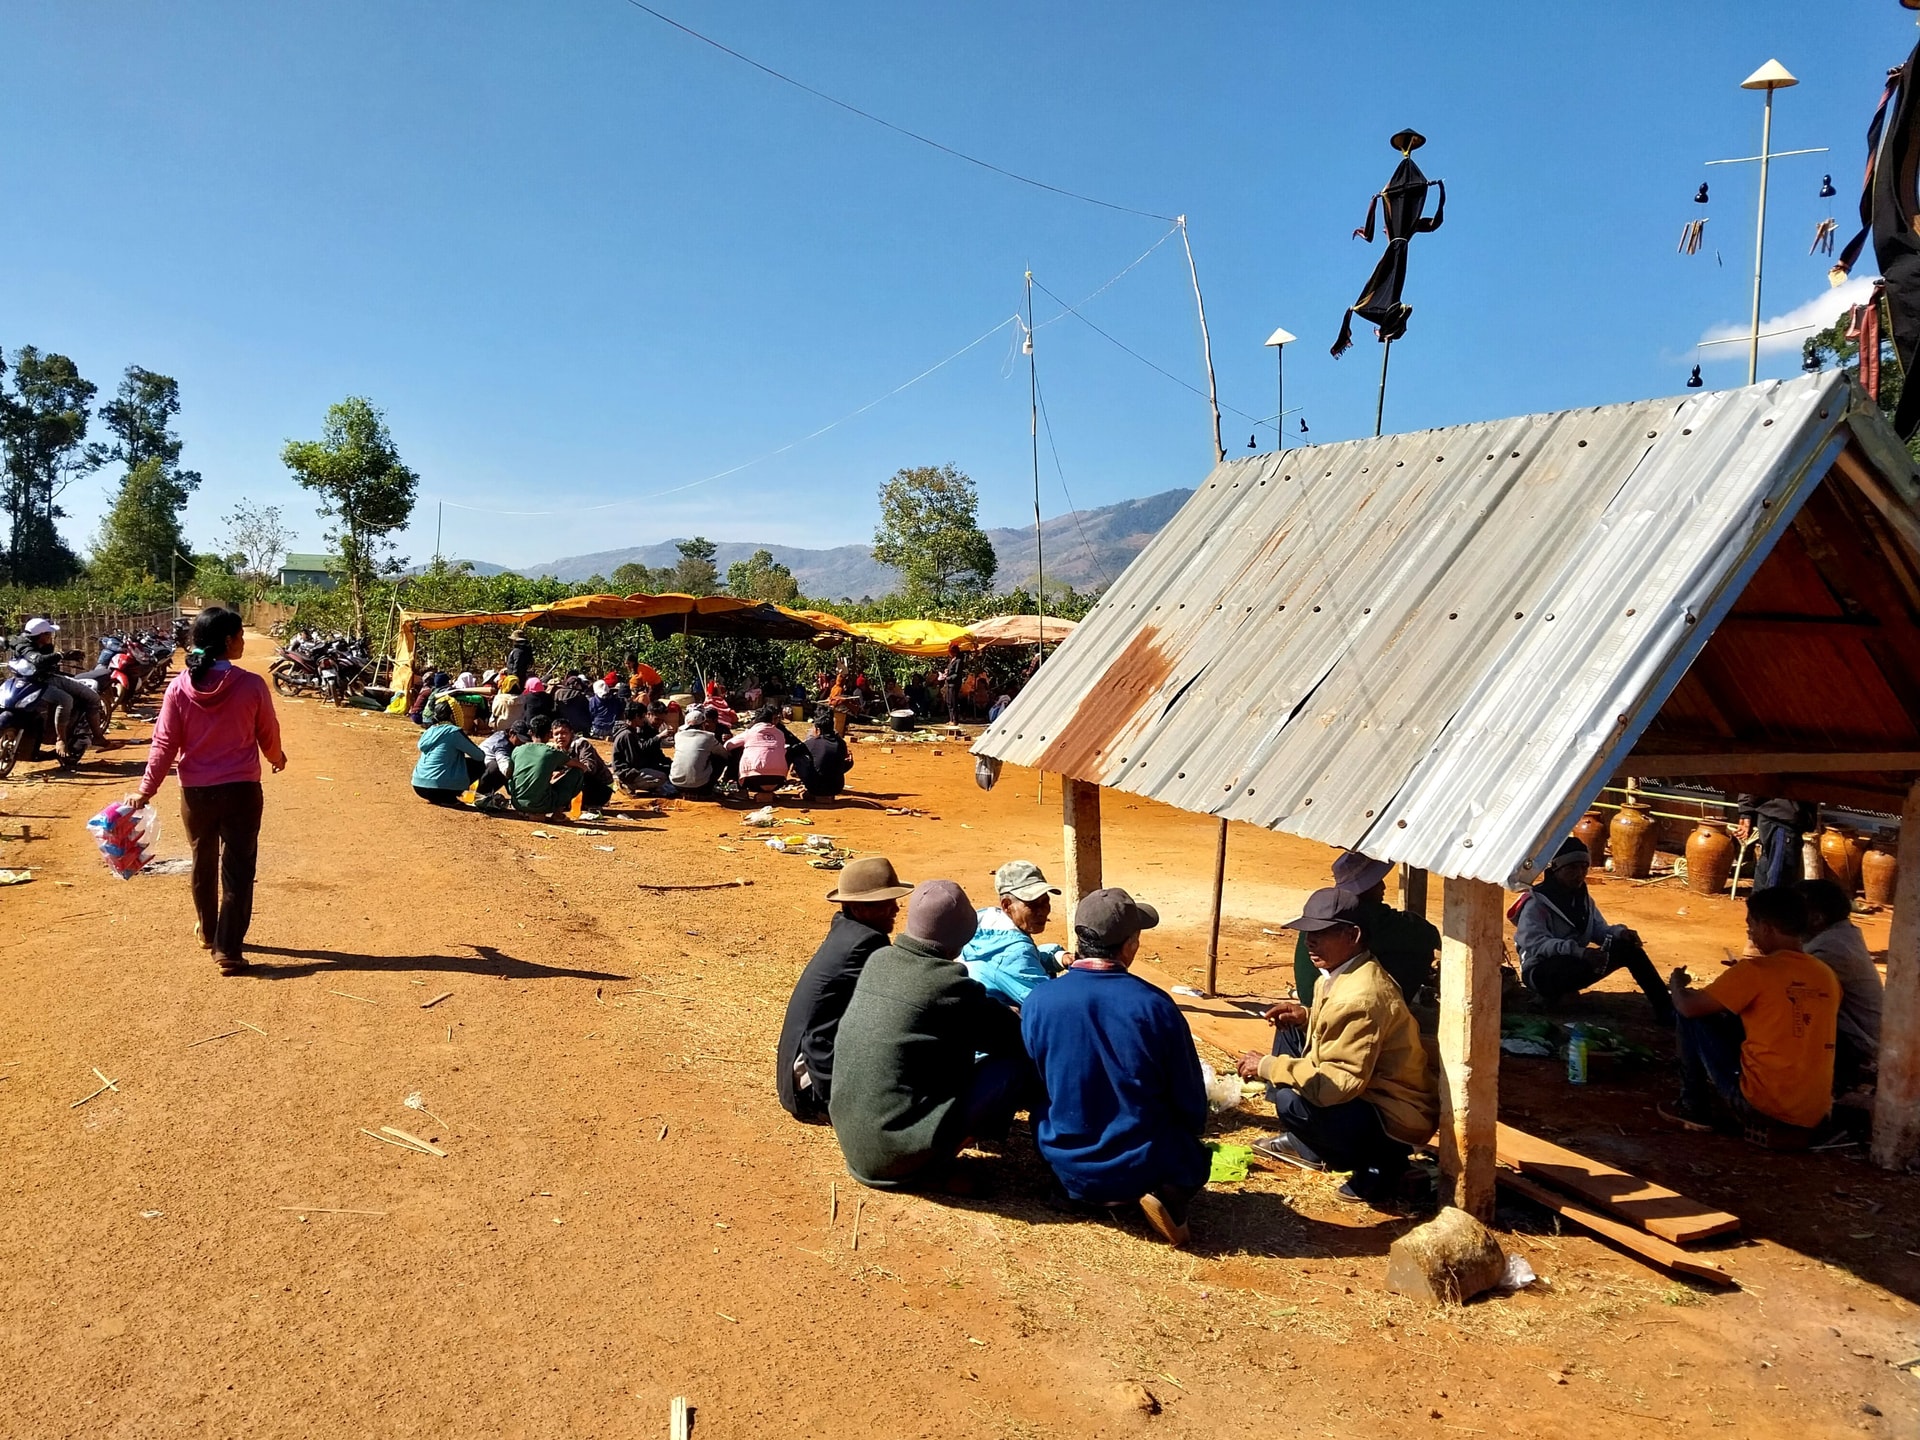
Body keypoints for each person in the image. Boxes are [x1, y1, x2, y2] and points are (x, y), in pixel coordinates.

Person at [1022, 888, 1209, 1246]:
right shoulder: (1155, 1007)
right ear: (1129, 946)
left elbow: (1035, 1084)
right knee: (1194, 1154)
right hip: (1142, 1165)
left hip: (1065, 1160)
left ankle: (1074, 1191)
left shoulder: (1039, 1000)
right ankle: (1161, 1193)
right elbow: (1191, 1105)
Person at [1236, 887, 1438, 1204]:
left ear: (1353, 934)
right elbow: (1340, 1028)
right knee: (1289, 1036)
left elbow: (1337, 1085)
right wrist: (1306, 1017)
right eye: (1307, 933)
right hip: (1374, 1096)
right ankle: (1317, 1145)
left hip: (1396, 1117)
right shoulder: (1342, 973)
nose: (1309, 942)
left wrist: (1268, 1067)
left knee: (1292, 1101)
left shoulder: (1360, 996)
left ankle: (1381, 1168)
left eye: (1321, 933)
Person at [828, 880, 1032, 1190]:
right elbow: (1013, 1038)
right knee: (1013, 1068)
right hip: (894, 1156)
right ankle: (936, 1165)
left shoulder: (879, 960)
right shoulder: (948, 984)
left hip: (857, 1143)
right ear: (963, 937)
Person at [130, 606, 287, 976]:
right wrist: (276, 756)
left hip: (196, 792)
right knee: (238, 868)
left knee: (203, 860)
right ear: (228, 641)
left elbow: (163, 744)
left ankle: (208, 930)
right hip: (242, 790)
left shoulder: (178, 688)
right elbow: (268, 730)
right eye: (240, 636)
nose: (244, 642)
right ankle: (228, 950)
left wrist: (145, 790)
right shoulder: (250, 685)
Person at [1661, 886, 1840, 1136]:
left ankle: (1693, 1106)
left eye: (1751, 926)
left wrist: (1677, 985)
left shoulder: (1756, 971)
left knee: (1691, 1016)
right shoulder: (1825, 975)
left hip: (1762, 1106)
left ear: (1766, 927)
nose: (1751, 934)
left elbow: (1689, 1008)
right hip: (1813, 1113)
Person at [775, 856, 915, 1123]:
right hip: (810, 1088)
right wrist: (840, 1102)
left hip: (798, 1079)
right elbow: (820, 1037)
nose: (896, 909)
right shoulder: (866, 944)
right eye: (885, 903)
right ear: (858, 908)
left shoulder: (848, 930)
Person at [1513, 835, 1674, 1023]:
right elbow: (1535, 944)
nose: (1579, 874)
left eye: (1584, 867)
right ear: (1556, 869)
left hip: (1577, 961)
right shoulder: (1537, 902)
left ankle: (1667, 1009)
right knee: (1561, 966)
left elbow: (1598, 930)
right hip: (1541, 972)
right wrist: (1579, 952)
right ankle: (1552, 995)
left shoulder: (1583, 899)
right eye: (1572, 867)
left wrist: (1620, 933)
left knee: (1629, 949)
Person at [1290, 851, 1439, 1003]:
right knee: (1416, 951)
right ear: (1367, 887)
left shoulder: (1322, 905)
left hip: (1309, 997)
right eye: (1377, 882)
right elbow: (1428, 936)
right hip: (1339, 1000)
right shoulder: (1373, 915)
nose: (1383, 887)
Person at [1794, 878, 1882, 1090]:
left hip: (1858, 1044)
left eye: (1792, 912)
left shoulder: (1829, 949)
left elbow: (1784, 986)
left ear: (1816, 918)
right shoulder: (1841, 935)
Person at [960, 860, 1065, 1008]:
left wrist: (1057, 957)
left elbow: (1019, 962)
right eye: (1032, 904)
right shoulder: (1016, 952)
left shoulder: (984, 923)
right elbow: (1049, 1005)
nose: (1042, 911)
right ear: (1007, 905)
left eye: (1045, 901)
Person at [501, 713, 587, 820]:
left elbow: (509, 774)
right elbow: (582, 767)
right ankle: (557, 814)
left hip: (517, 803)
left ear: (530, 732)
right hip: (541, 805)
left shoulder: (517, 750)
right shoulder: (551, 752)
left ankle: (525, 810)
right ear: (549, 734)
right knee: (577, 773)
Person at [412, 696, 487, 806]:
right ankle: (449, 797)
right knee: (478, 765)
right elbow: (479, 756)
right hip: (438, 787)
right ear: (453, 716)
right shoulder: (453, 732)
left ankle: (439, 797)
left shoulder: (430, 730)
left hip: (418, 786)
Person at [1738, 795, 1815, 889]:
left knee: (1767, 874)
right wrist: (1746, 810)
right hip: (1782, 817)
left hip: (1776, 815)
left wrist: (1746, 810)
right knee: (1778, 883)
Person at [551, 719, 614, 819]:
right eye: (556, 734)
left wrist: (563, 772)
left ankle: (592, 805)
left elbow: (589, 768)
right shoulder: (556, 748)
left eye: (564, 733)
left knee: (577, 774)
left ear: (571, 733)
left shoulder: (581, 744)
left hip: (600, 788)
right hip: (577, 788)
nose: (560, 737)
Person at [724, 703, 791, 796]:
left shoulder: (750, 732)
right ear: (773, 719)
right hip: (778, 781)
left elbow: (727, 746)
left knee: (737, 749)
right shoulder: (780, 734)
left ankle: (739, 787)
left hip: (752, 781)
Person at [611, 702, 675, 796]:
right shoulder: (629, 734)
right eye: (643, 716)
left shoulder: (632, 731)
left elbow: (655, 753)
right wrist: (659, 737)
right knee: (662, 777)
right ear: (638, 716)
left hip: (634, 767)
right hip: (627, 772)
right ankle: (628, 784)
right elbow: (634, 759)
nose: (660, 723)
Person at [790, 706, 854, 799]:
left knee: (797, 757)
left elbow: (792, 753)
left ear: (817, 729)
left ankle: (813, 791)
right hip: (836, 788)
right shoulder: (841, 743)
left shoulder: (811, 743)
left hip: (815, 788)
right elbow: (844, 763)